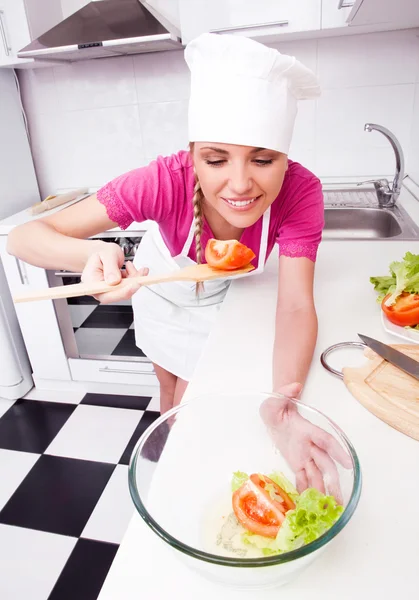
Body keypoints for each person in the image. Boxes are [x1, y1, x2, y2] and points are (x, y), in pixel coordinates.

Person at [7, 33, 350, 495]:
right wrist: (89, 254)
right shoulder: (162, 180)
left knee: (190, 400)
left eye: (263, 160)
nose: (240, 184)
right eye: (215, 159)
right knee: (166, 390)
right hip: (158, 294)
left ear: (286, 160)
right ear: (192, 157)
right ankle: (162, 453)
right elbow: (24, 237)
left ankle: (173, 475)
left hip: (214, 306)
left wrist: (282, 406)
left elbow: (294, 305)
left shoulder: (302, 192)